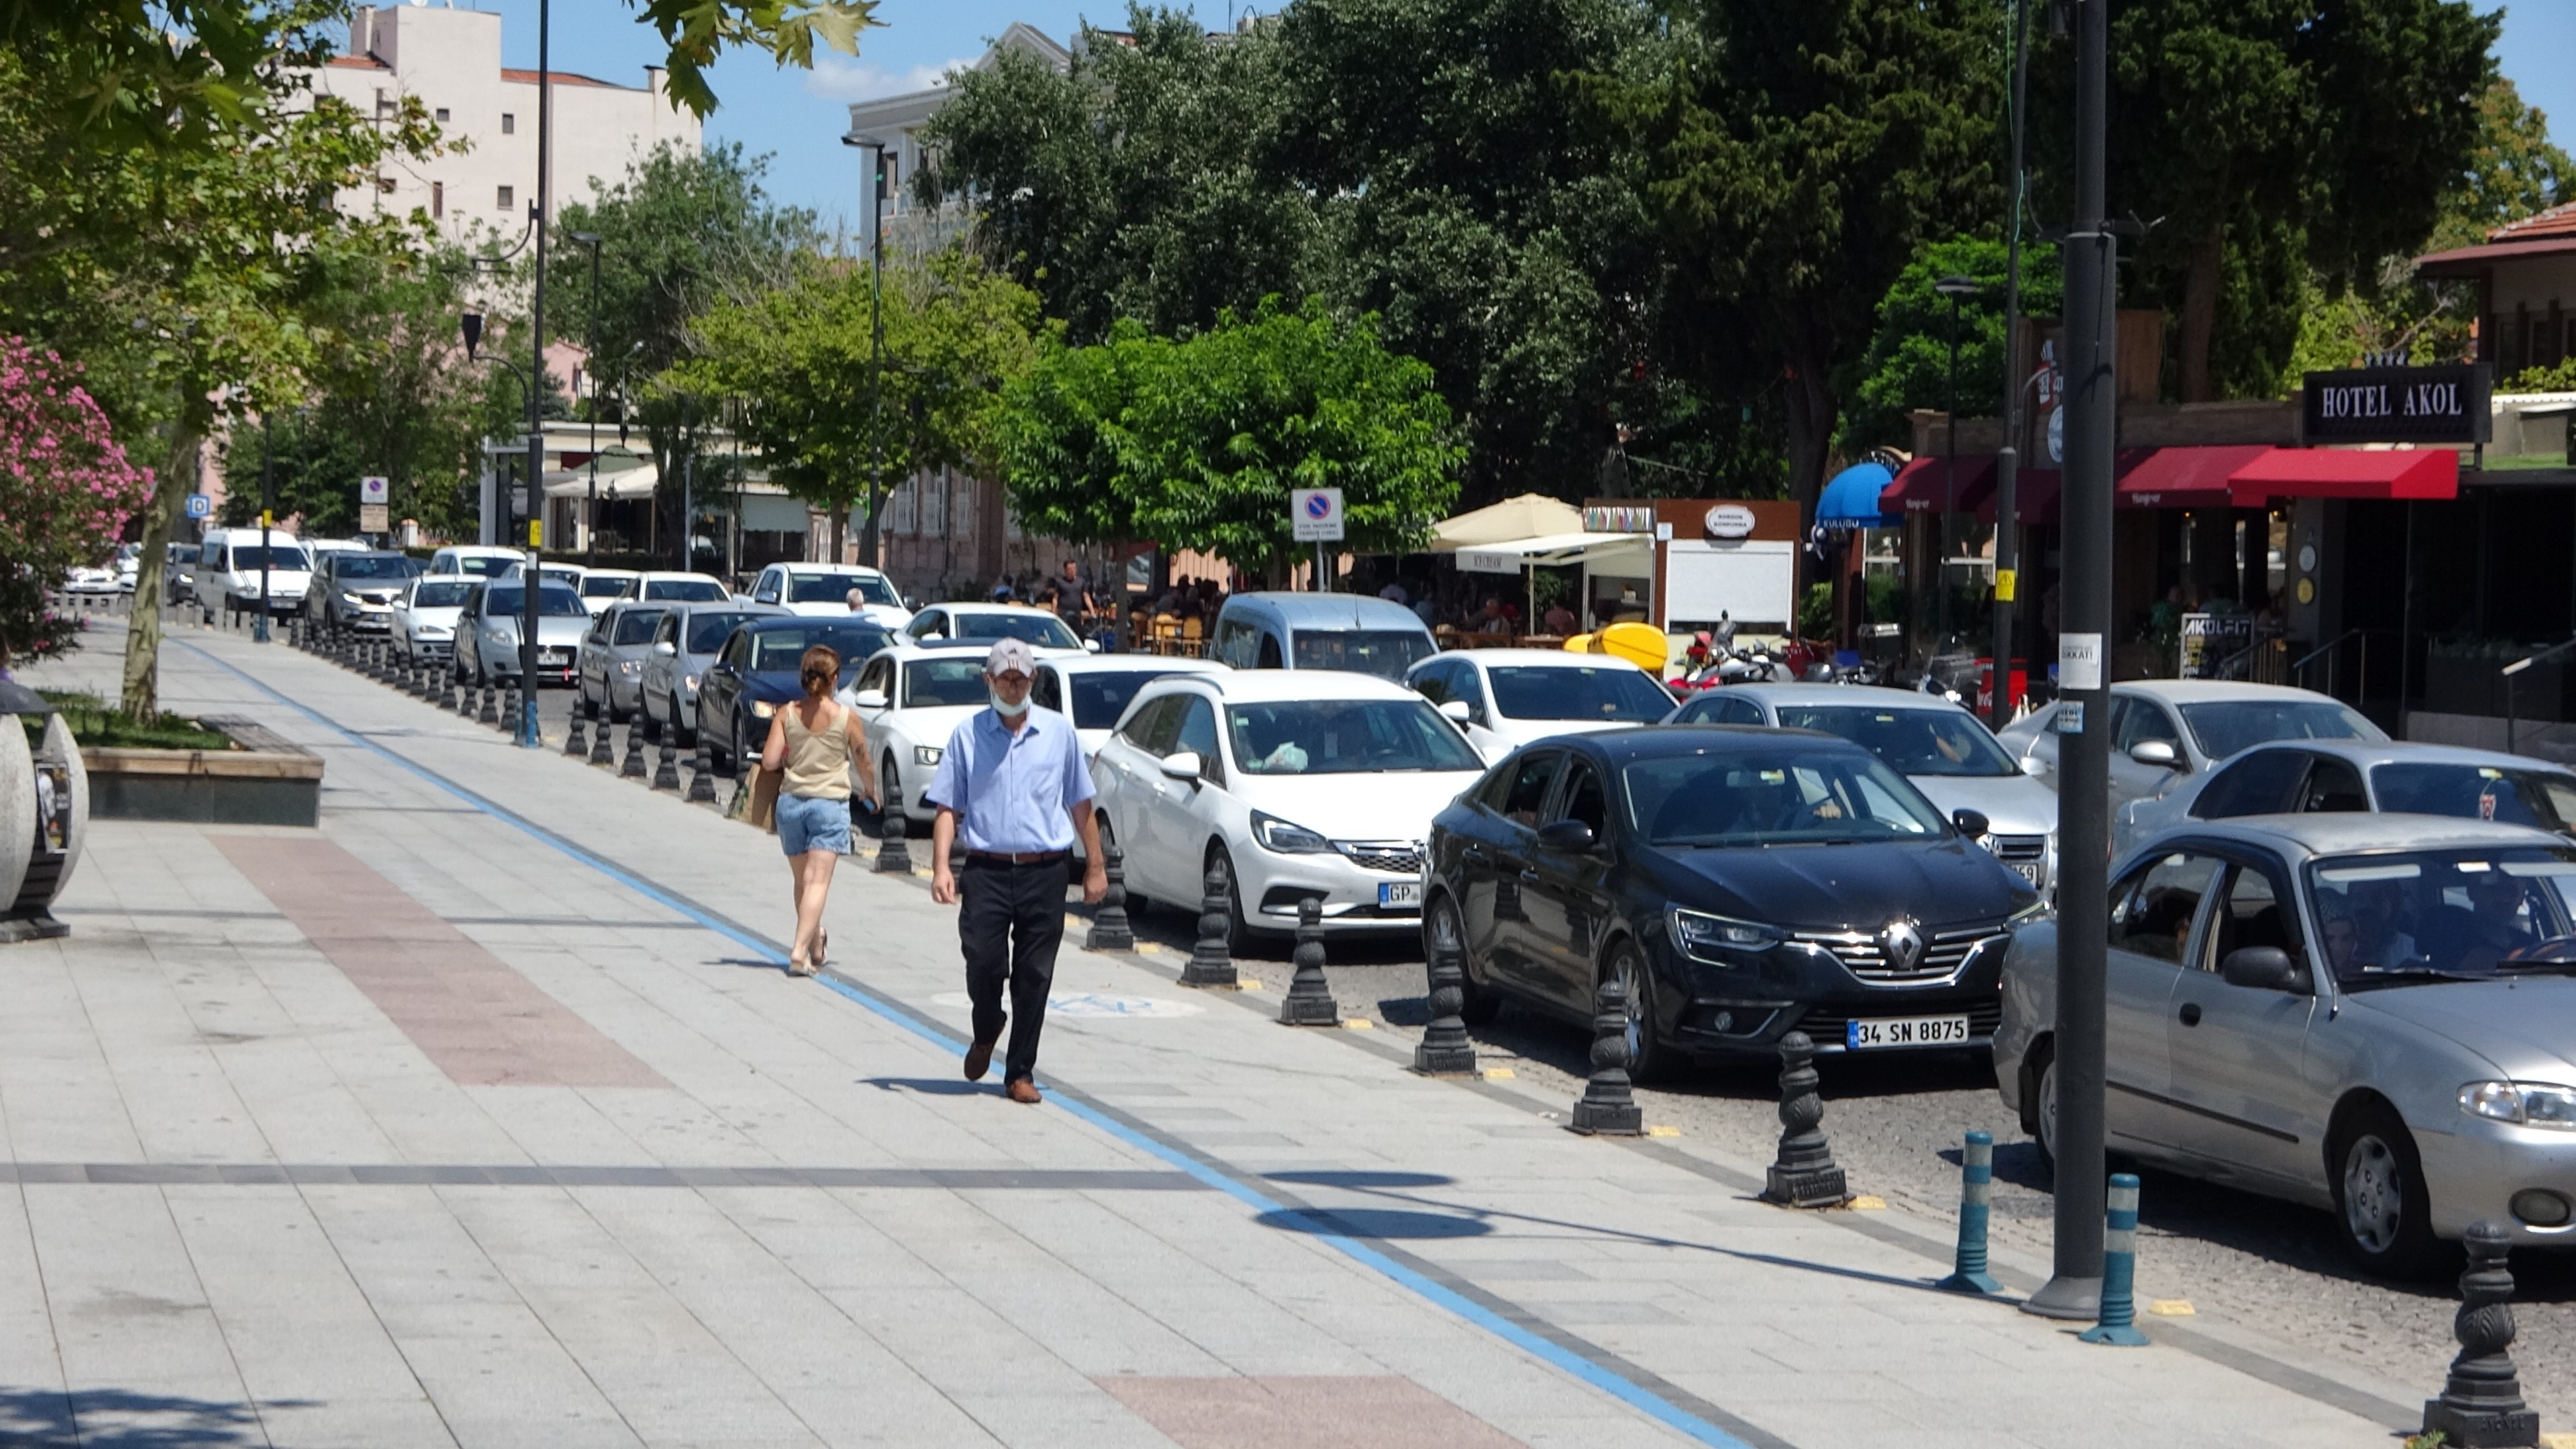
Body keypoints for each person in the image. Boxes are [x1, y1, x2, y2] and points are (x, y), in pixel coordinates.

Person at [926, 638, 1108, 1104]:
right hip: (986, 870)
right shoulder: (967, 735)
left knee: (1034, 975)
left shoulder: (1059, 733)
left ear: (1033, 680)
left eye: (1020, 678)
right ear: (988, 680)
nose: (1012, 686)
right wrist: (941, 866)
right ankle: (988, 1027)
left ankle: (1020, 1072)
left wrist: (1095, 866)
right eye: (1004, 678)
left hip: (1044, 871)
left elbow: (1080, 802)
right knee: (983, 962)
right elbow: (948, 806)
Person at [759, 644, 875, 977]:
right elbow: (863, 761)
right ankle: (799, 951)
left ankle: (815, 940)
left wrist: (792, 754)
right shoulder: (846, 718)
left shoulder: (786, 714)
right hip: (829, 805)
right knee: (818, 882)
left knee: (803, 881)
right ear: (835, 678)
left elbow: (769, 761)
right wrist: (871, 791)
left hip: (791, 804)